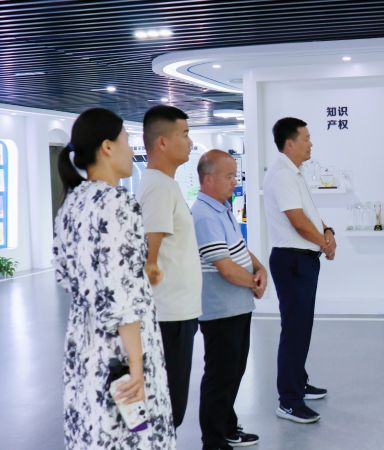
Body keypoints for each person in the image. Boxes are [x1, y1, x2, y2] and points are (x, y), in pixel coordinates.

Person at [53, 108, 175, 449]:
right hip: (120, 349)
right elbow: (119, 296)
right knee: (134, 434)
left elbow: (68, 275)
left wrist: (137, 273)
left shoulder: (72, 203)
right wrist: (136, 365)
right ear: (107, 147)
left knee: (95, 433)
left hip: (85, 343)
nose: (130, 149)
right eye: (125, 140)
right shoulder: (116, 202)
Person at [191, 149, 267, 449]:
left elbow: (238, 248)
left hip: (237, 306)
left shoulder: (222, 208)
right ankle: (213, 439)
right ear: (208, 179)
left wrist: (260, 269)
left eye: (235, 175)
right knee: (220, 375)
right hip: (220, 310)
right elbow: (224, 267)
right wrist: (253, 282)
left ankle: (227, 426)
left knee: (233, 371)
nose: (235, 181)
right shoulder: (203, 214)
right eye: (229, 176)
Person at [263, 117, 336, 424]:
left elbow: (309, 214)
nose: (311, 143)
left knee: (301, 327)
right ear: (290, 143)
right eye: (306, 138)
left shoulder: (295, 172)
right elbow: (297, 220)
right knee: (295, 329)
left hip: (302, 259)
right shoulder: (282, 174)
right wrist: (324, 243)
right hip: (292, 259)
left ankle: (299, 382)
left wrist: (327, 231)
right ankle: (289, 401)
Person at [137, 105, 203, 428]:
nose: (190, 142)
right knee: (168, 406)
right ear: (162, 142)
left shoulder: (166, 184)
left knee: (171, 403)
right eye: (185, 134)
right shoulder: (159, 187)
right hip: (168, 315)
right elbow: (151, 251)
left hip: (179, 312)